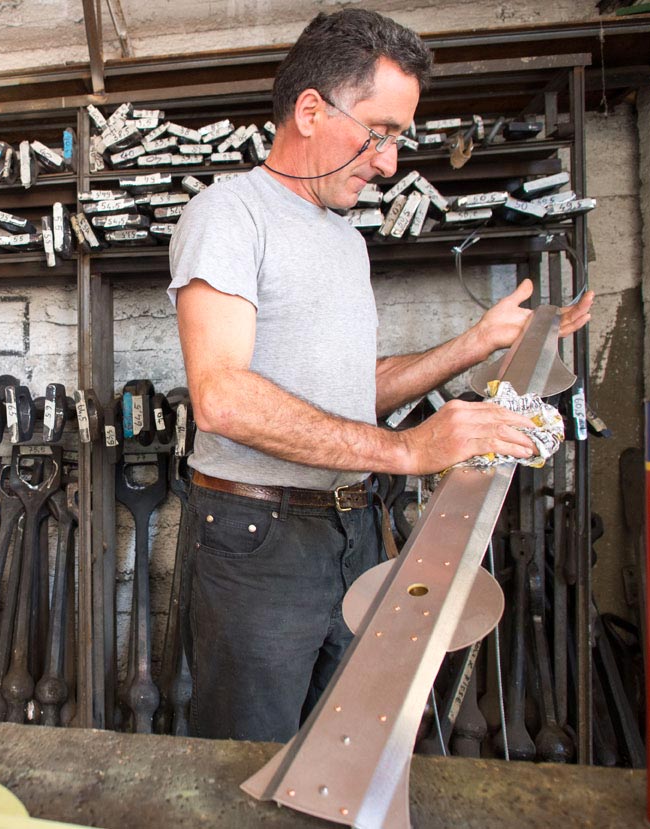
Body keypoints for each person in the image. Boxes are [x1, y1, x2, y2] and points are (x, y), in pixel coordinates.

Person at [168, 8, 593, 743]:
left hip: (351, 527)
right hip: (258, 537)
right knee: (244, 761)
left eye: (399, 136)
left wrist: (476, 344)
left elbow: (345, 394)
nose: (390, 161)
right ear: (310, 110)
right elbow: (222, 398)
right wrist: (406, 450)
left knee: (342, 748)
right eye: (381, 131)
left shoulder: (343, 238)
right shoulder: (230, 214)